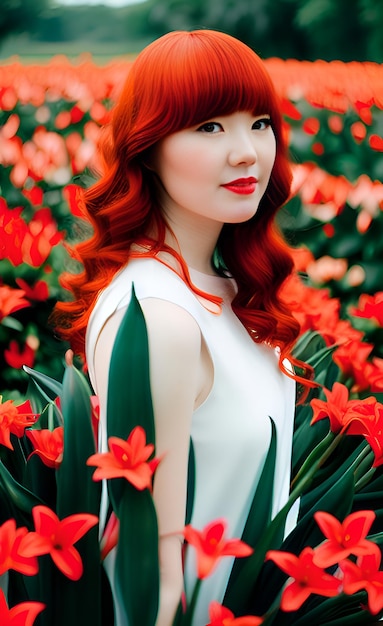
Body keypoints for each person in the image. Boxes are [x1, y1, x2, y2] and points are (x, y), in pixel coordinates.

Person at [54, 29, 312, 626]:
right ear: (147, 148)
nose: (248, 152)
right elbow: (150, 574)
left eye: (260, 122)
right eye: (210, 127)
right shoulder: (160, 322)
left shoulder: (222, 287)